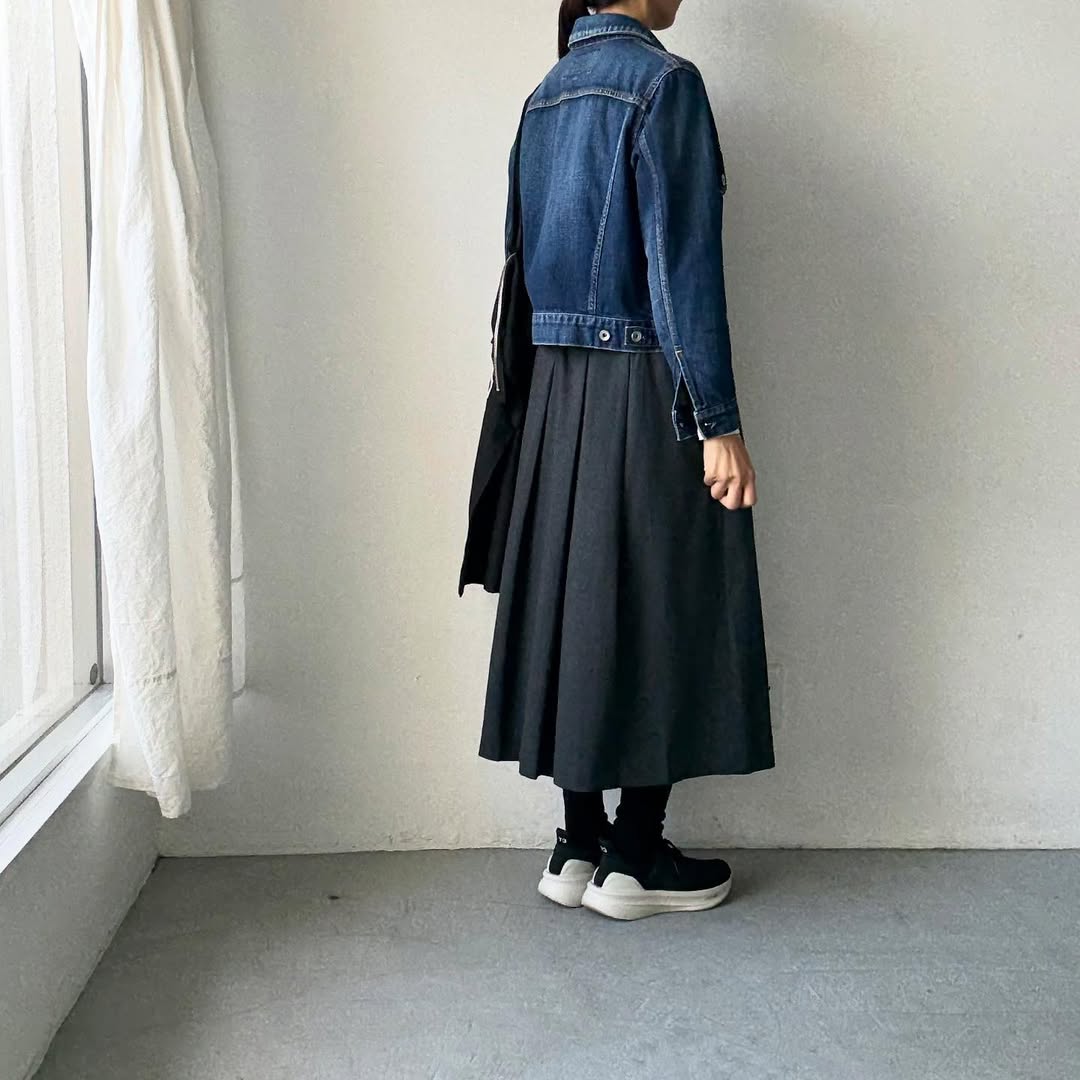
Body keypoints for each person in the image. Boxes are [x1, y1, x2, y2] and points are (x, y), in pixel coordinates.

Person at [477, 0, 775, 920]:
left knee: (577, 603)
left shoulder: (545, 95)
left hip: (556, 395)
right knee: (660, 598)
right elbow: (683, 268)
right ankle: (637, 855)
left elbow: (518, 275)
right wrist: (716, 418)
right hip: (648, 385)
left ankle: (580, 842)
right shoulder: (664, 85)